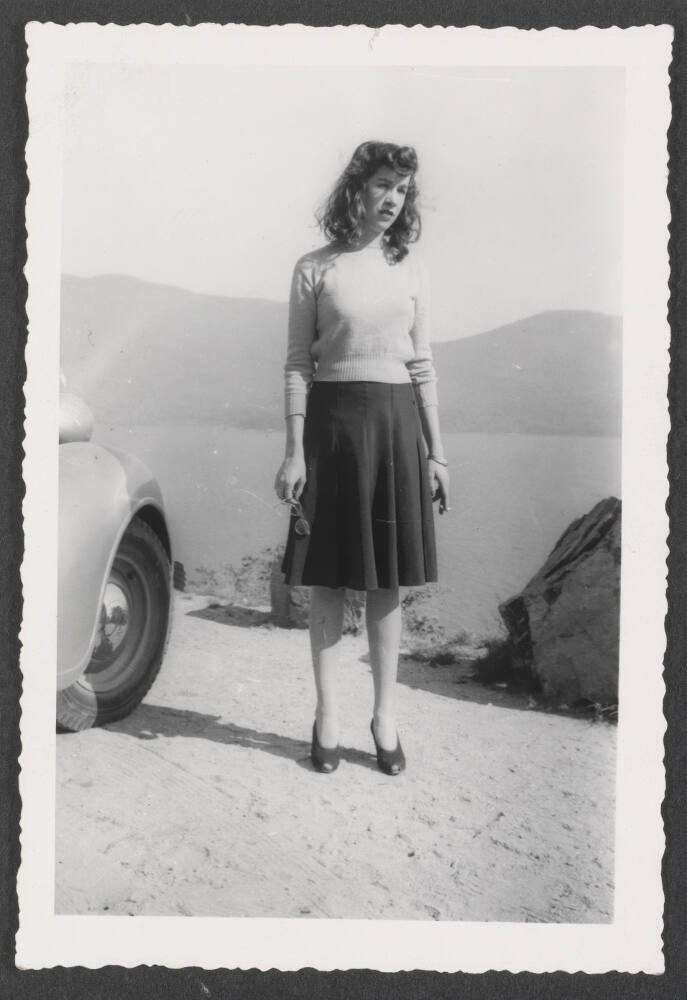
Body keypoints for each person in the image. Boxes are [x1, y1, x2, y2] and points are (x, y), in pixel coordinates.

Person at [274, 141, 450, 776]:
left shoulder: (412, 270)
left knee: (386, 580)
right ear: (355, 189)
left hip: (397, 428)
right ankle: (327, 716)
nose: (392, 200)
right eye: (382, 185)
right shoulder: (314, 268)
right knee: (327, 578)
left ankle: (384, 717)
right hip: (331, 429)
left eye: (401, 190)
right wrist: (294, 453)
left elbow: (422, 364)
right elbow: (299, 364)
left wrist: (438, 455)